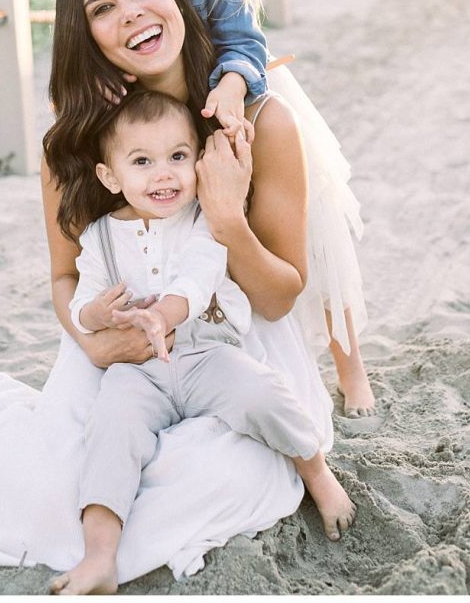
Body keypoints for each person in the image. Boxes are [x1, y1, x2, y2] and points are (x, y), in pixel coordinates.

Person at [0, 0, 341, 586]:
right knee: (51, 496)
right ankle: (95, 553)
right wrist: (93, 340)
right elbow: (64, 278)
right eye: (103, 7)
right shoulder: (75, 143)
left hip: (230, 340)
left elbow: (278, 298)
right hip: (114, 350)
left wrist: (224, 217)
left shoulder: (259, 119)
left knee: (222, 475)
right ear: (89, 36)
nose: (130, 12)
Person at [65, 0, 374, 417]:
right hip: (162, 115)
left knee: (317, 232)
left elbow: (245, 41)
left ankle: (350, 364)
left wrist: (233, 85)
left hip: (232, 91)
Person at [50, 89, 354, 595]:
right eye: (142, 161)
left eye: (177, 157)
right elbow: (82, 298)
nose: (163, 173)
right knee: (109, 430)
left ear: (198, 163)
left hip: (205, 353)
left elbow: (198, 276)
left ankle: (317, 473)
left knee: (262, 393)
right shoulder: (101, 235)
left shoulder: (201, 221)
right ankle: (99, 556)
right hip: (137, 369)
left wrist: (163, 315)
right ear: (110, 176)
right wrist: (96, 313)